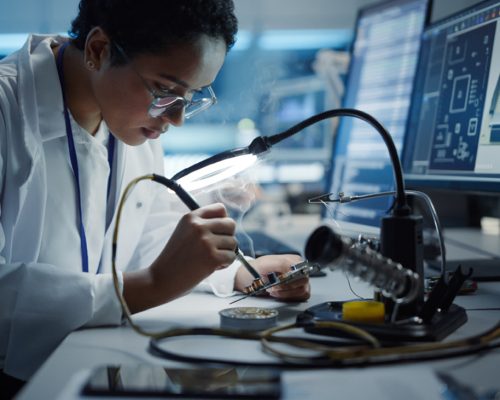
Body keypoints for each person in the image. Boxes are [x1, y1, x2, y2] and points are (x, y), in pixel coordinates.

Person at [0, 0, 310, 397]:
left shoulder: (129, 119)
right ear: (98, 50)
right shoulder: (8, 110)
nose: (177, 118)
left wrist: (238, 273)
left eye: (193, 95)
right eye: (166, 91)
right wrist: (153, 283)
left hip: (81, 363)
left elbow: (149, 233)